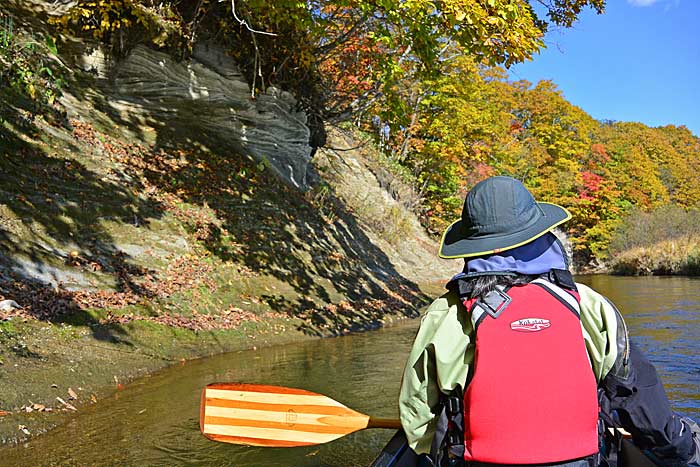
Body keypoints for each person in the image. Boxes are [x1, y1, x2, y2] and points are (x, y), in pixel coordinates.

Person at [398, 176, 700, 467]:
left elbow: (417, 411)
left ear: (471, 246)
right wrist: (682, 447)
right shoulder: (590, 305)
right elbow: (637, 396)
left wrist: (430, 448)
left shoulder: (444, 313)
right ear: (540, 235)